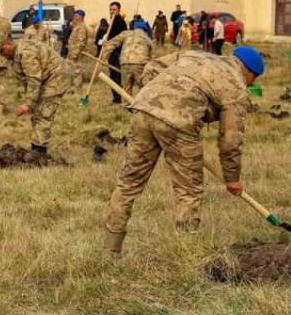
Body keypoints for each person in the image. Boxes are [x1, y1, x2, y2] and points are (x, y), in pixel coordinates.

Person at [104, 47, 263, 254]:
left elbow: (153, 66)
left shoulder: (194, 54)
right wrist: (232, 177)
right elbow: (230, 140)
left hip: (143, 109)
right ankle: (186, 254)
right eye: (254, 79)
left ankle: (110, 251)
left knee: (128, 183)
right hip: (180, 122)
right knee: (188, 191)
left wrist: (154, 97)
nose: (252, 84)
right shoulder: (237, 86)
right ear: (249, 71)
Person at [0, 36, 68, 154]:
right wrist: (30, 103)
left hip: (56, 78)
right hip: (45, 79)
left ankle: (39, 152)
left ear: (9, 43)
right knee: (37, 113)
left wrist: (27, 103)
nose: (1, 54)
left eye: (2, 50)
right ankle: (36, 146)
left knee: (44, 114)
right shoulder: (15, 55)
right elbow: (26, 80)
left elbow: (33, 79)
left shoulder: (26, 52)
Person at [105, 20, 154, 95]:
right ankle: (140, 105)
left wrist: (104, 57)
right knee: (143, 87)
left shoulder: (126, 34)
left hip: (125, 64)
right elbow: (152, 56)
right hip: (141, 64)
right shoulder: (147, 38)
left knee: (126, 88)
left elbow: (111, 44)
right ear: (145, 29)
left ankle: (126, 105)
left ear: (134, 27)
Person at [104, 2, 129, 103]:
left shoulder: (120, 22)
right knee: (113, 75)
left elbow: (120, 39)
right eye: (111, 9)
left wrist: (109, 42)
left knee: (115, 75)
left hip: (116, 53)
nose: (112, 11)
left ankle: (117, 99)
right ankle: (116, 98)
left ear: (119, 10)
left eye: (114, 9)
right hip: (111, 52)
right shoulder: (112, 21)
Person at [65, 10, 91, 91]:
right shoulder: (77, 26)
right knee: (69, 70)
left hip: (76, 53)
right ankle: (69, 87)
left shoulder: (82, 27)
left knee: (77, 71)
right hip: (71, 52)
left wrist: (75, 53)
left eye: (76, 16)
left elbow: (81, 41)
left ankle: (77, 89)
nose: (74, 17)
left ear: (81, 17)